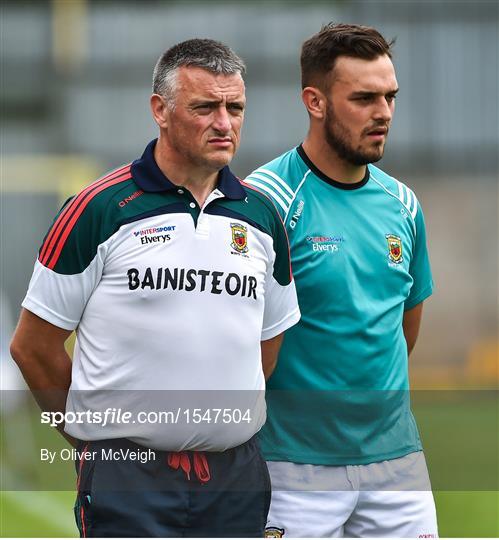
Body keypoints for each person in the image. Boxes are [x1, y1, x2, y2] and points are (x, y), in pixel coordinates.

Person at [10, 38, 300, 538]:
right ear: (160, 111)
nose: (224, 123)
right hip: (129, 478)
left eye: (235, 107)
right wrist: (92, 437)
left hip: (237, 478)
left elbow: (266, 346)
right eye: (205, 107)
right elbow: (33, 347)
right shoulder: (99, 209)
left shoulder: (262, 217)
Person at [246, 23, 438, 538]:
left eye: (390, 97)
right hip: (292, 469)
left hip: (398, 466)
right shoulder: (261, 202)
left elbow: (403, 327)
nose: (384, 113)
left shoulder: (404, 205)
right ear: (315, 101)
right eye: (364, 98)